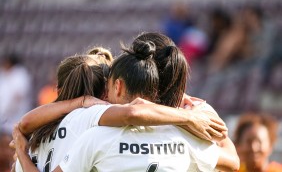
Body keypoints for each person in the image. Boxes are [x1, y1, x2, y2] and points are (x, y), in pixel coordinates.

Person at [12, 45, 228, 172]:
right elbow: (231, 159)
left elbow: (22, 124)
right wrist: (189, 117)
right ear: (107, 89)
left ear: (59, 88)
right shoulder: (91, 121)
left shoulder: (34, 137)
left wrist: (21, 152)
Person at [0, 53, 31, 134]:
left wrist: (9, 109)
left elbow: (18, 95)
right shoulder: (4, 74)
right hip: (4, 116)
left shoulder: (20, 74)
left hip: (16, 114)